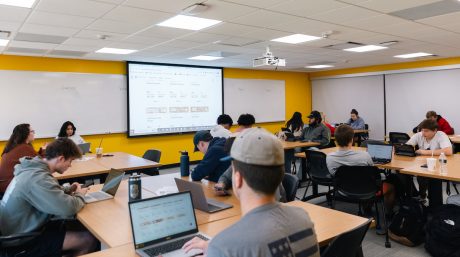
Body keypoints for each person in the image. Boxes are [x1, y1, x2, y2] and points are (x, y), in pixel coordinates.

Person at [183, 128, 319, 256]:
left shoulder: (225, 246)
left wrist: (217, 250)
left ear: (237, 179)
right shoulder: (304, 218)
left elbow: (239, 245)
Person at [0, 138, 98, 256]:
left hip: (18, 228)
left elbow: (45, 191)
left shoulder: (32, 169)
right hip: (20, 241)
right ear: (61, 158)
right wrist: (80, 195)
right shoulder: (37, 178)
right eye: (70, 161)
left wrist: (68, 189)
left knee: (74, 225)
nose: (70, 165)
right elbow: (68, 209)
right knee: (88, 240)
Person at [326, 124, 395, 213]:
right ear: (352, 140)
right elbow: (373, 173)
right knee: (391, 186)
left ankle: (367, 207)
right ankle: (389, 214)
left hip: (343, 190)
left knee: (361, 179)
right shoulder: (364, 155)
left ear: (335, 140)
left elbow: (333, 174)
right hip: (367, 189)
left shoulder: (329, 157)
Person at [406, 119, 452, 200]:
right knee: (403, 173)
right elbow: (407, 146)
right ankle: (417, 196)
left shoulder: (441, 135)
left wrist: (424, 152)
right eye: (422, 130)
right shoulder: (419, 135)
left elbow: (448, 151)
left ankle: (427, 199)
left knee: (428, 177)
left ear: (435, 130)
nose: (423, 133)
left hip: (437, 165)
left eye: (426, 131)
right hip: (422, 164)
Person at [0, 124, 40, 195]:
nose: (34, 133)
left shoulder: (13, 146)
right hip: (10, 189)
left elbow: (35, 157)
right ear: (25, 134)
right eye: (32, 131)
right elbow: (41, 162)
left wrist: (41, 151)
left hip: (4, 187)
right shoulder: (24, 147)